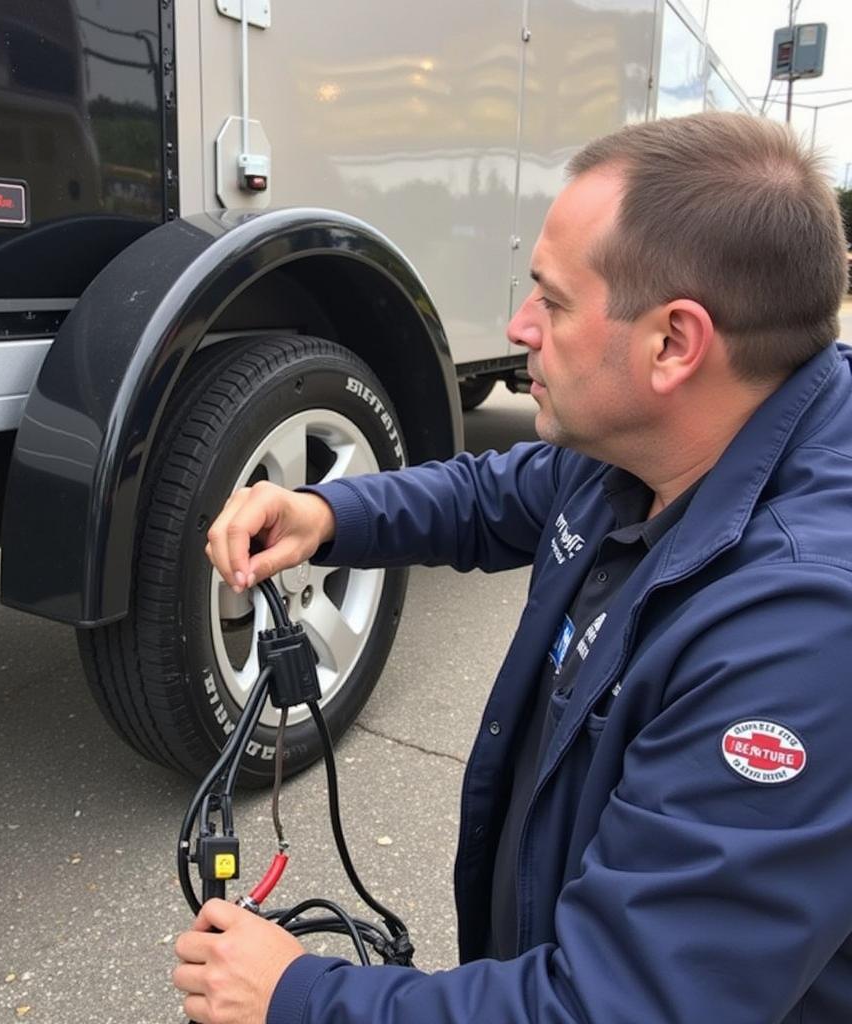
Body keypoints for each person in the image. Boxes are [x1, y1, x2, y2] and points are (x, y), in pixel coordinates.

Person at [173, 111, 852, 1024]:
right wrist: (327, 512)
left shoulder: (800, 639)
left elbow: (620, 1005)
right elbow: (497, 494)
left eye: (555, 301)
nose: (519, 325)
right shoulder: (664, 441)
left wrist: (299, 997)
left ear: (673, 345)